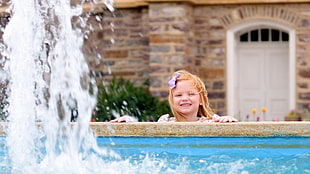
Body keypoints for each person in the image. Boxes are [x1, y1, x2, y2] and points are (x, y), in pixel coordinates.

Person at [110, 70, 238, 123]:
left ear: (201, 100)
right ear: (172, 101)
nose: (184, 98)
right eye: (178, 95)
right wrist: (129, 122)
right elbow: (147, 134)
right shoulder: (166, 122)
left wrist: (227, 121)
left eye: (191, 94)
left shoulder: (211, 122)